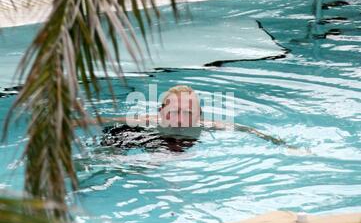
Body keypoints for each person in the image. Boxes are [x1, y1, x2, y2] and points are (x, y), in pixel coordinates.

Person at [77, 85, 290, 151]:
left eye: (187, 113)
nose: (179, 120)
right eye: (174, 112)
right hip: (144, 139)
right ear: (161, 111)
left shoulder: (208, 125)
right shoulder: (147, 120)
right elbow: (102, 120)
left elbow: (247, 130)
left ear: (199, 115)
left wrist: (282, 144)